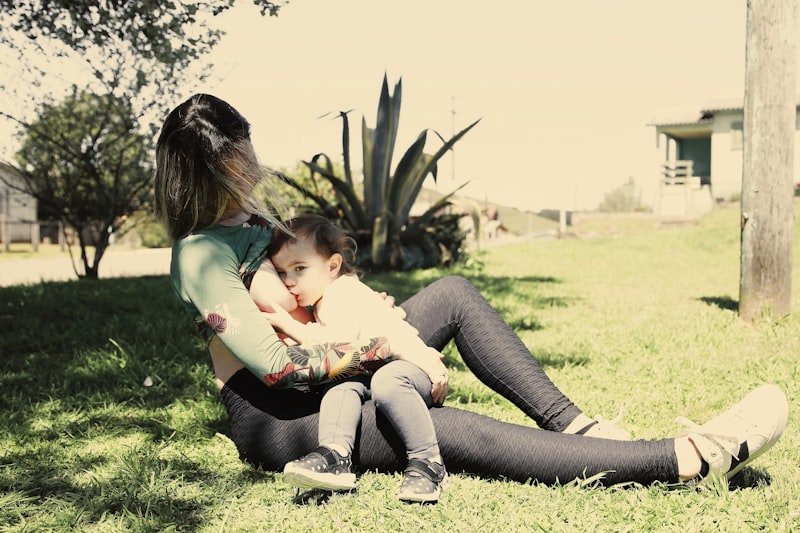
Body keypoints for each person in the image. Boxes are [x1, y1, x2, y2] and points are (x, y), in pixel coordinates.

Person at [154, 93, 788, 494]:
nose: (251, 166)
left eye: (246, 150)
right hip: (284, 420)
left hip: (340, 364)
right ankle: (684, 459)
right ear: (207, 171)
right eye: (236, 159)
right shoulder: (200, 254)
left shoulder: (260, 227)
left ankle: (576, 427)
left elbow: (329, 287)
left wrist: (385, 324)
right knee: (433, 425)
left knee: (453, 292)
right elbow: (275, 368)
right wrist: (386, 352)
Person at [253, 214, 449, 502]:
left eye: (300, 269)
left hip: (412, 368)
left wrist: (290, 325)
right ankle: (335, 454)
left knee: (387, 380)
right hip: (374, 371)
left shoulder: (341, 293)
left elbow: (336, 344)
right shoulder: (325, 297)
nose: (290, 281)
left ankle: (428, 461)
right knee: (342, 385)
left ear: (333, 265)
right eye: (283, 273)